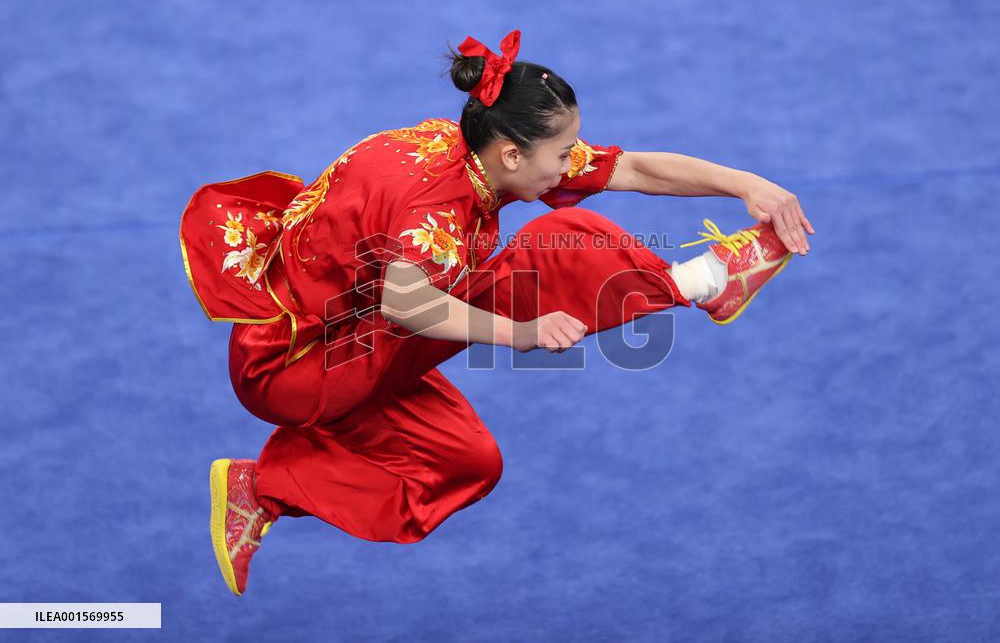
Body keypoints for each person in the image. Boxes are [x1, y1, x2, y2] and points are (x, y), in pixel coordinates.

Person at [180, 29, 815, 596]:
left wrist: (745, 184)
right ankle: (703, 281)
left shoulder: (472, 144)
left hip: (342, 332)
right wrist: (520, 334)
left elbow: (636, 168)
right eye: (561, 154)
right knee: (541, 254)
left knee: (465, 465)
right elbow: (408, 306)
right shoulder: (434, 209)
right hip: (295, 366)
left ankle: (257, 489)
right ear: (513, 155)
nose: (570, 163)